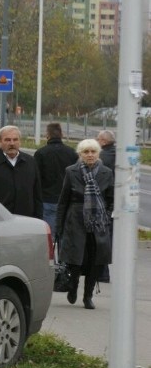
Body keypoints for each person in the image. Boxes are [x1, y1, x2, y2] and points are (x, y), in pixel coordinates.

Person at [55, 139, 114, 309]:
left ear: (98, 153)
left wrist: (106, 216)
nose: (90, 155)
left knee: (95, 261)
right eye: (86, 152)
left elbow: (111, 199)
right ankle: (72, 286)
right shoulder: (71, 171)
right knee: (75, 260)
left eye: (93, 152)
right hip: (76, 221)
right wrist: (59, 226)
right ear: (80, 154)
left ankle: (88, 296)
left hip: (98, 224)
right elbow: (63, 201)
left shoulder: (106, 172)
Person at [0, 125, 43, 219]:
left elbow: (37, 195)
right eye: (7, 140)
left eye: (15, 140)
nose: (12, 143)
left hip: (27, 221)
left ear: (20, 141)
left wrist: (38, 219)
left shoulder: (30, 162)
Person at [34, 123, 79, 235]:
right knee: (65, 235)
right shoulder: (72, 152)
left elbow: (36, 178)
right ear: (61, 134)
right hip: (67, 200)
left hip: (47, 199)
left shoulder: (40, 153)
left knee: (49, 235)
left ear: (47, 135)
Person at [95, 129, 116, 283]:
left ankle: (102, 272)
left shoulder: (103, 157)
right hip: (114, 202)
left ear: (103, 141)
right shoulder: (118, 154)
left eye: (98, 139)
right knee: (107, 238)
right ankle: (103, 272)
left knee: (101, 238)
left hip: (103, 202)